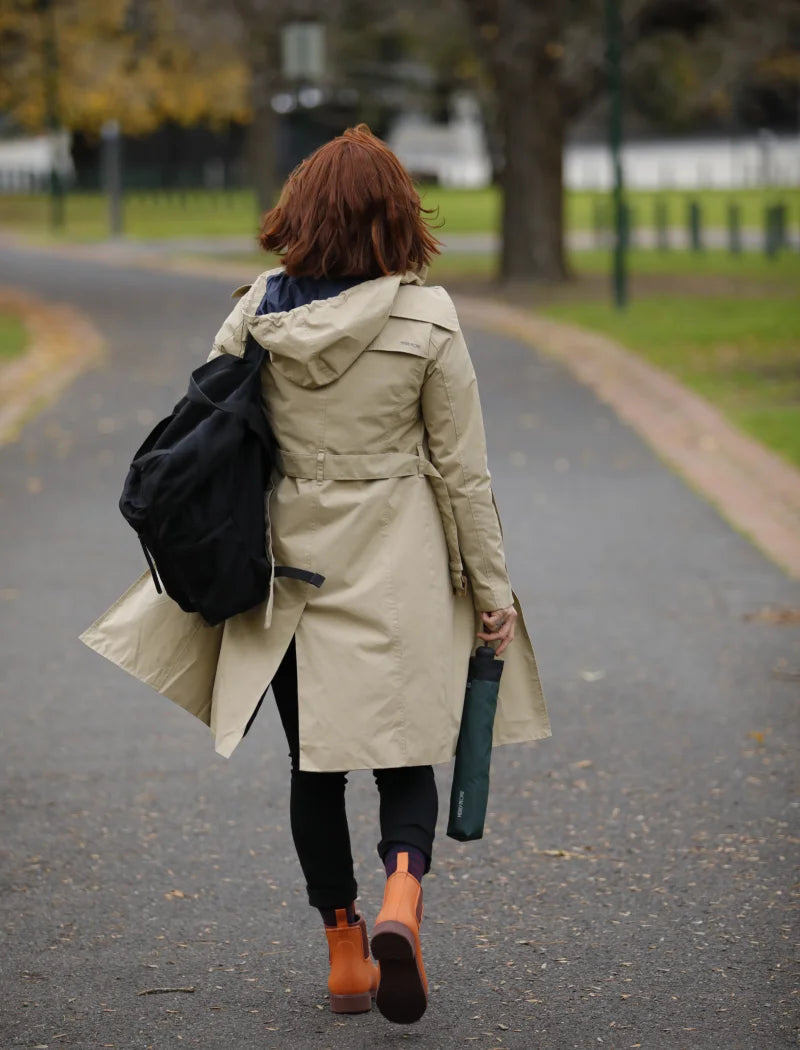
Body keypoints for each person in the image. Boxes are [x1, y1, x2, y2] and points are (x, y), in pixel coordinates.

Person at [81, 124, 550, 1026]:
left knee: (315, 764)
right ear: (397, 217)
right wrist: (493, 593)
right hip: (401, 562)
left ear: (302, 214)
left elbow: (207, 425)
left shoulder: (258, 308)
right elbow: (463, 472)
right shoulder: (429, 318)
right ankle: (401, 903)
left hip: (290, 572)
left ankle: (343, 951)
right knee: (407, 751)